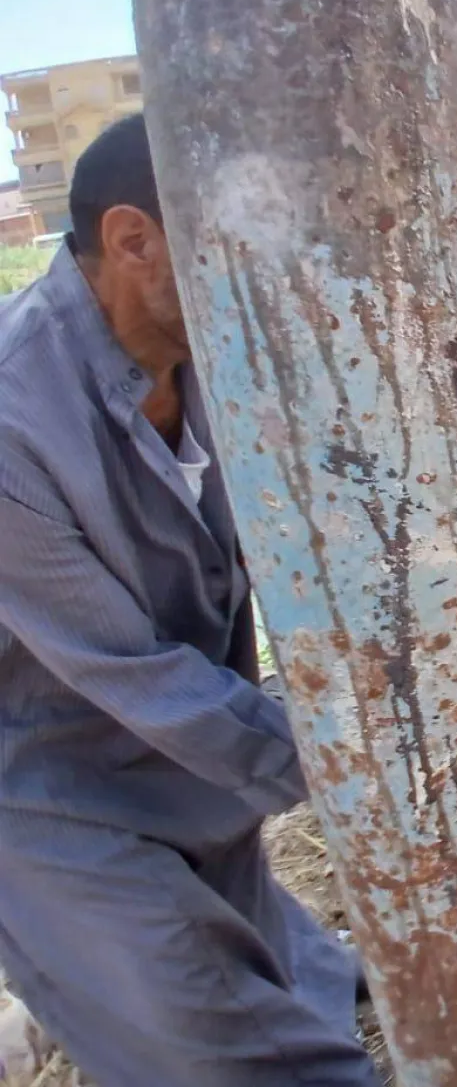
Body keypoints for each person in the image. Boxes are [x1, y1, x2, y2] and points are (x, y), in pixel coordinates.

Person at [0, 114, 378, 1086]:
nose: (281, 282)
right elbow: (136, 673)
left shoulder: (215, 355)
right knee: (253, 1061)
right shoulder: (13, 420)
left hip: (192, 766)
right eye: (254, 249)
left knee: (296, 980)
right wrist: (362, 773)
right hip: (48, 796)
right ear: (134, 241)